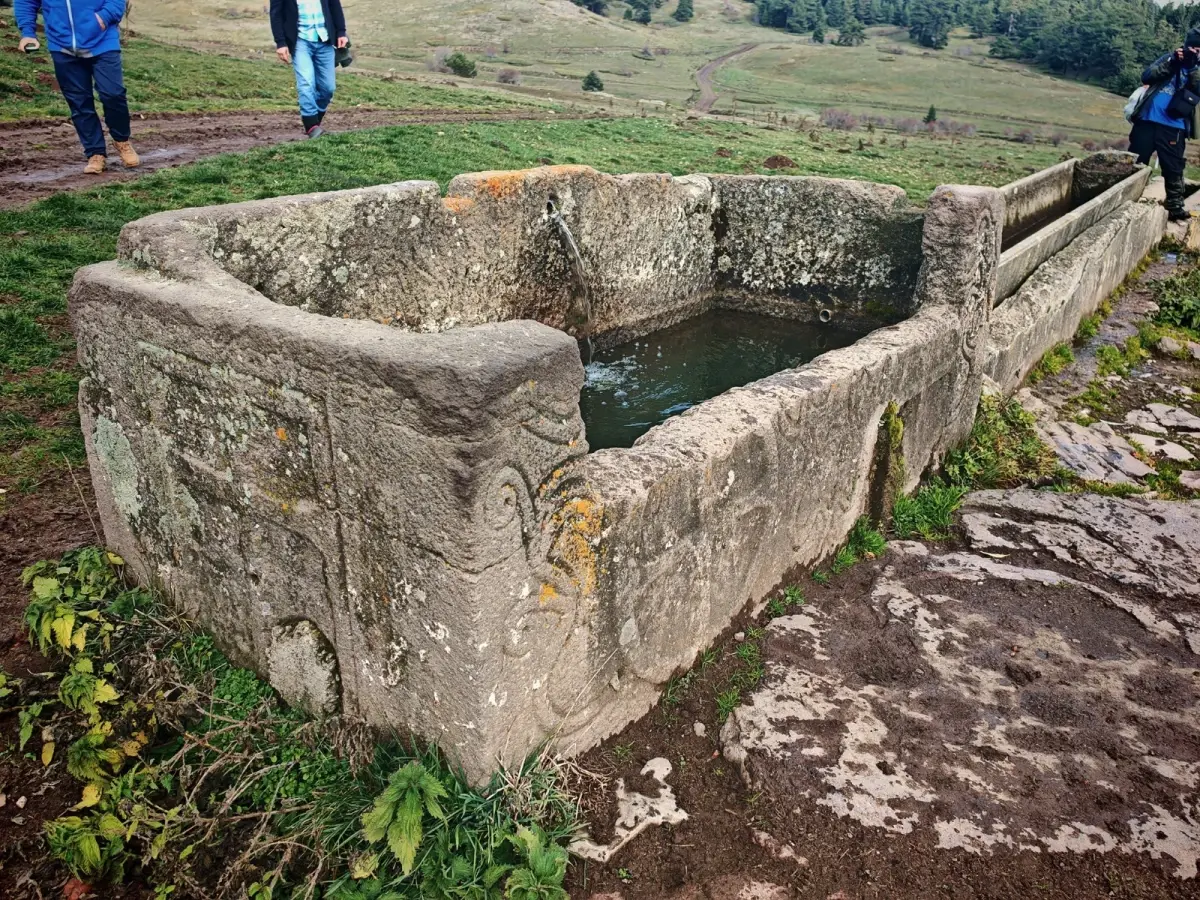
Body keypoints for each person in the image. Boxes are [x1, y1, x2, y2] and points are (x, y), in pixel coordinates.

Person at [14, 0, 139, 175]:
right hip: (61, 44)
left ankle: (121, 140)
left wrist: (103, 17)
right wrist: (28, 32)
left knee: (113, 94)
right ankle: (95, 153)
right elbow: (25, 1)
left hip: (103, 40)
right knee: (79, 101)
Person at [1129, 28, 1200, 221]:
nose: (1195, 53)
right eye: (1193, 49)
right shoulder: (1170, 58)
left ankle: (1175, 208)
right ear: (1186, 46)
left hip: (1174, 126)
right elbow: (1147, 76)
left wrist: (1192, 69)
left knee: (1173, 167)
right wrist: (1173, 63)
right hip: (1146, 120)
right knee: (1136, 162)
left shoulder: (1197, 68)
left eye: (1198, 50)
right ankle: (1126, 199)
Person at [269, 0, 349, 139]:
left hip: (325, 39)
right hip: (300, 41)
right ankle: (311, 125)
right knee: (306, 83)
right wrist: (280, 42)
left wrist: (341, 32)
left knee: (328, 88)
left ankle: (315, 121)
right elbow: (276, 14)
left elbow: (334, 5)